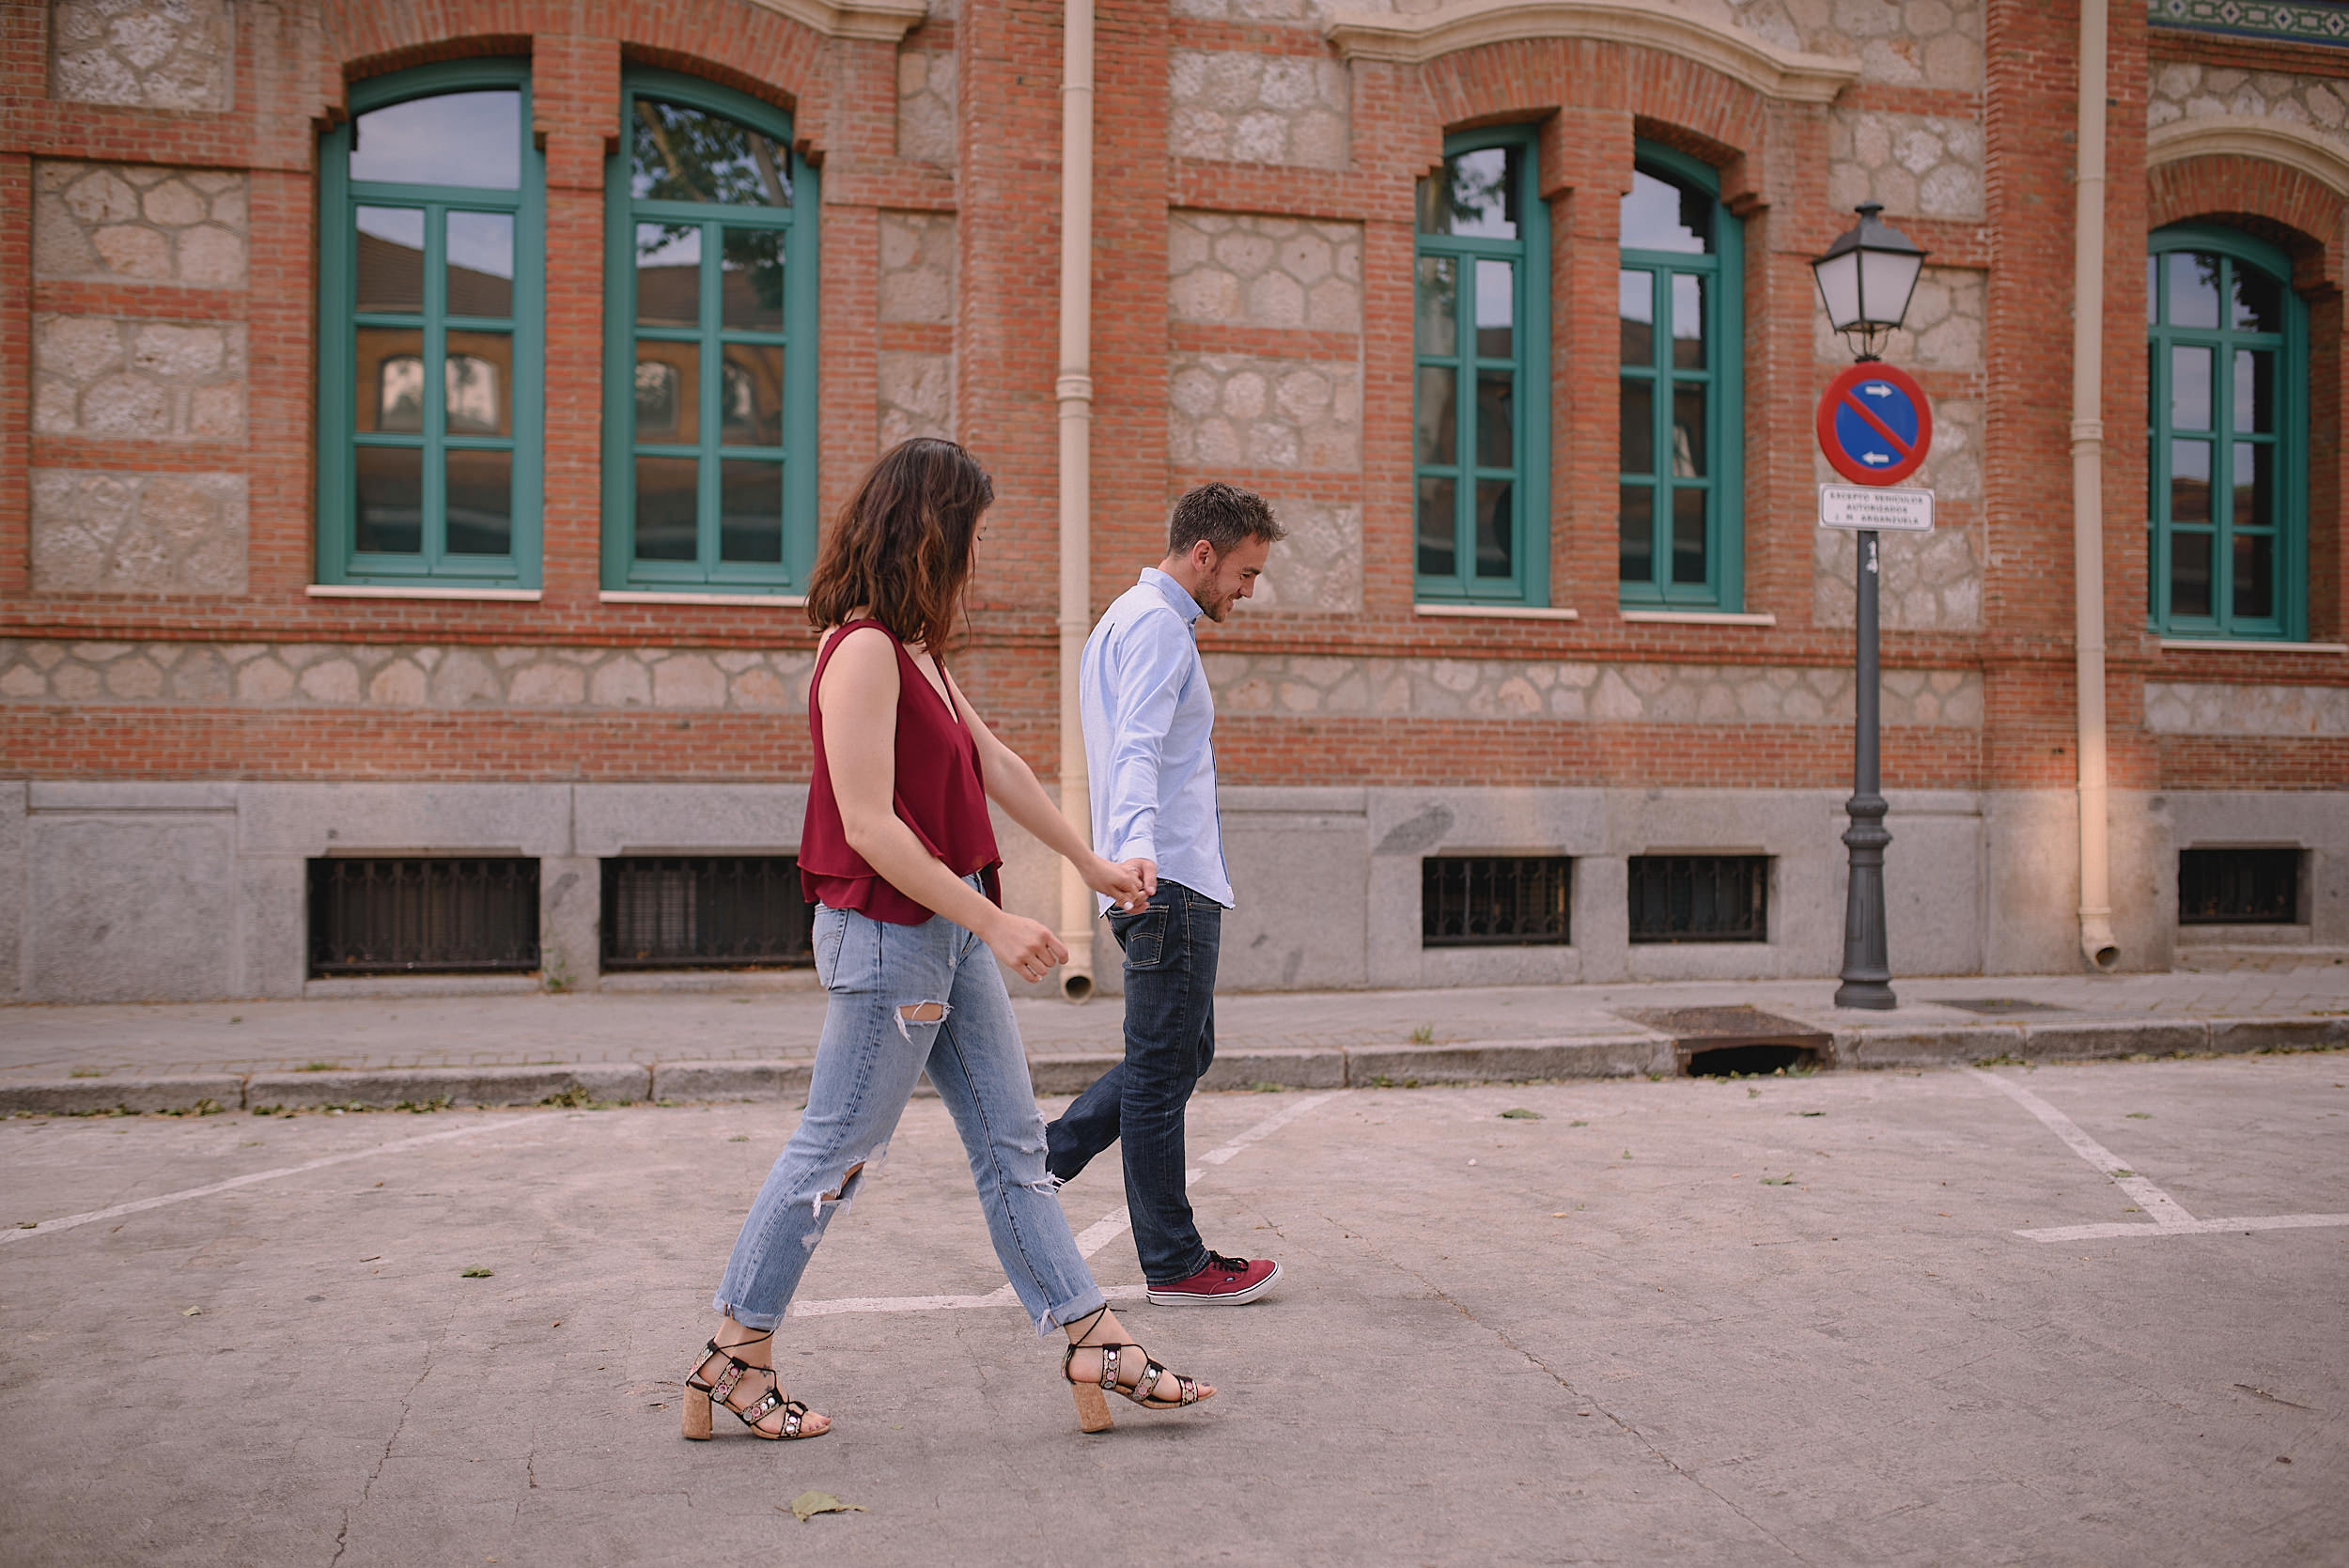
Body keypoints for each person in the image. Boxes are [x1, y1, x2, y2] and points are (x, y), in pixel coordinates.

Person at [685, 439, 1214, 1441]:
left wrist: (1091, 864)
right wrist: (996, 920)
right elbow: (869, 824)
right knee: (834, 1148)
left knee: (1014, 1148)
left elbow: (995, 764)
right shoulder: (863, 652)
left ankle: (1090, 1336)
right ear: (929, 532)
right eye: (969, 532)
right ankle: (733, 1354)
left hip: (947, 928)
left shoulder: (915, 648)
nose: (976, 553)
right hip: (890, 938)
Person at [1044, 482, 1288, 1307]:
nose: (1248, 592)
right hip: (1167, 882)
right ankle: (1175, 1262)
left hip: (1162, 877)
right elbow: (1139, 747)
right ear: (1203, 553)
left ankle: (1045, 1158)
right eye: (1245, 574)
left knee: (1181, 1055)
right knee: (1159, 1073)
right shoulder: (1156, 629)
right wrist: (1142, 847)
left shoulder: (1124, 617)